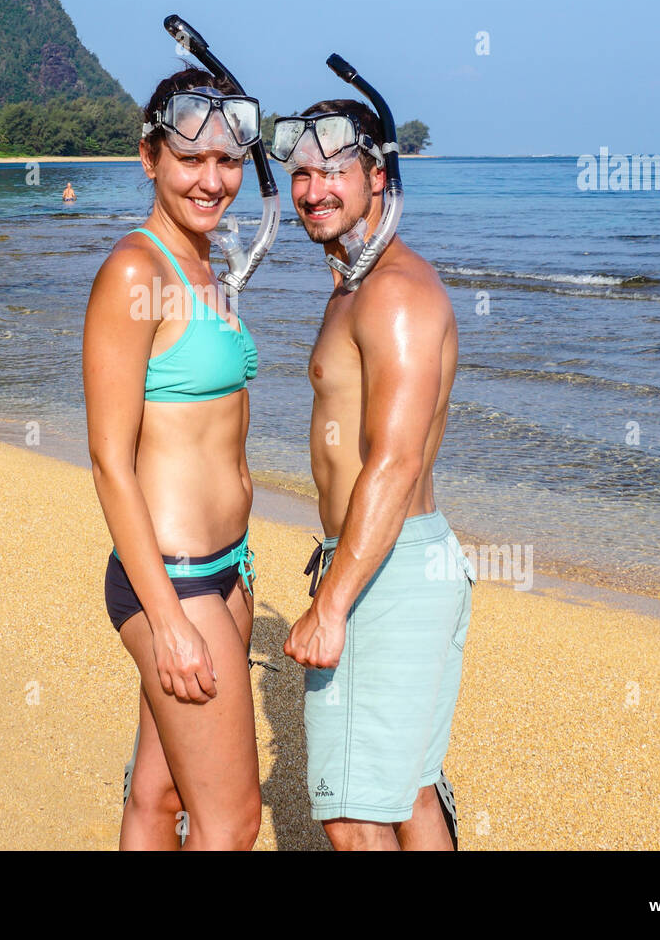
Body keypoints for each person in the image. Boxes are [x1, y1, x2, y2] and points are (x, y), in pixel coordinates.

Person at [276, 97, 474, 852]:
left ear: (379, 178)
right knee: (407, 791)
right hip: (392, 557)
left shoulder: (393, 292)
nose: (313, 188)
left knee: (352, 810)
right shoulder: (356, 281)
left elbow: (394, 459)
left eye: (334, 170)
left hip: (382, 566)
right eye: (300, 173)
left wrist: (331, 603)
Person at [83, 68, 264, 851]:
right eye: (190, 160)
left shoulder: (207, 267)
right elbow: (108, 461)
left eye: (227, 161)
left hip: (228, 569)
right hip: (174, 580)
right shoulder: (137, 269)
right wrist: (166, 620)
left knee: (158, 797)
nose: (212, 180)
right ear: (149, 157)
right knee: (231, 821)